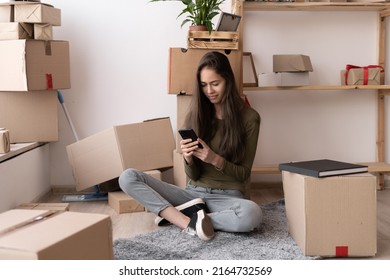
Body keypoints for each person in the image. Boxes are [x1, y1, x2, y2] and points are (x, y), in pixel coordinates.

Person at [119, 51, 262, 241]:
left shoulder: (250, 118)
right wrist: (188, 159)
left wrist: (214, 159)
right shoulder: (197, 115)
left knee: (252, 213)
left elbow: (244, 173)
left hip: (228, 198)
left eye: (215, 84)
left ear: (227, 80)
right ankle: (186, 222)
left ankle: (184, 218)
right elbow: (193, 176)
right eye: (204, 85)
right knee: (128, 177)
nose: (209, 90)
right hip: (193, 195)